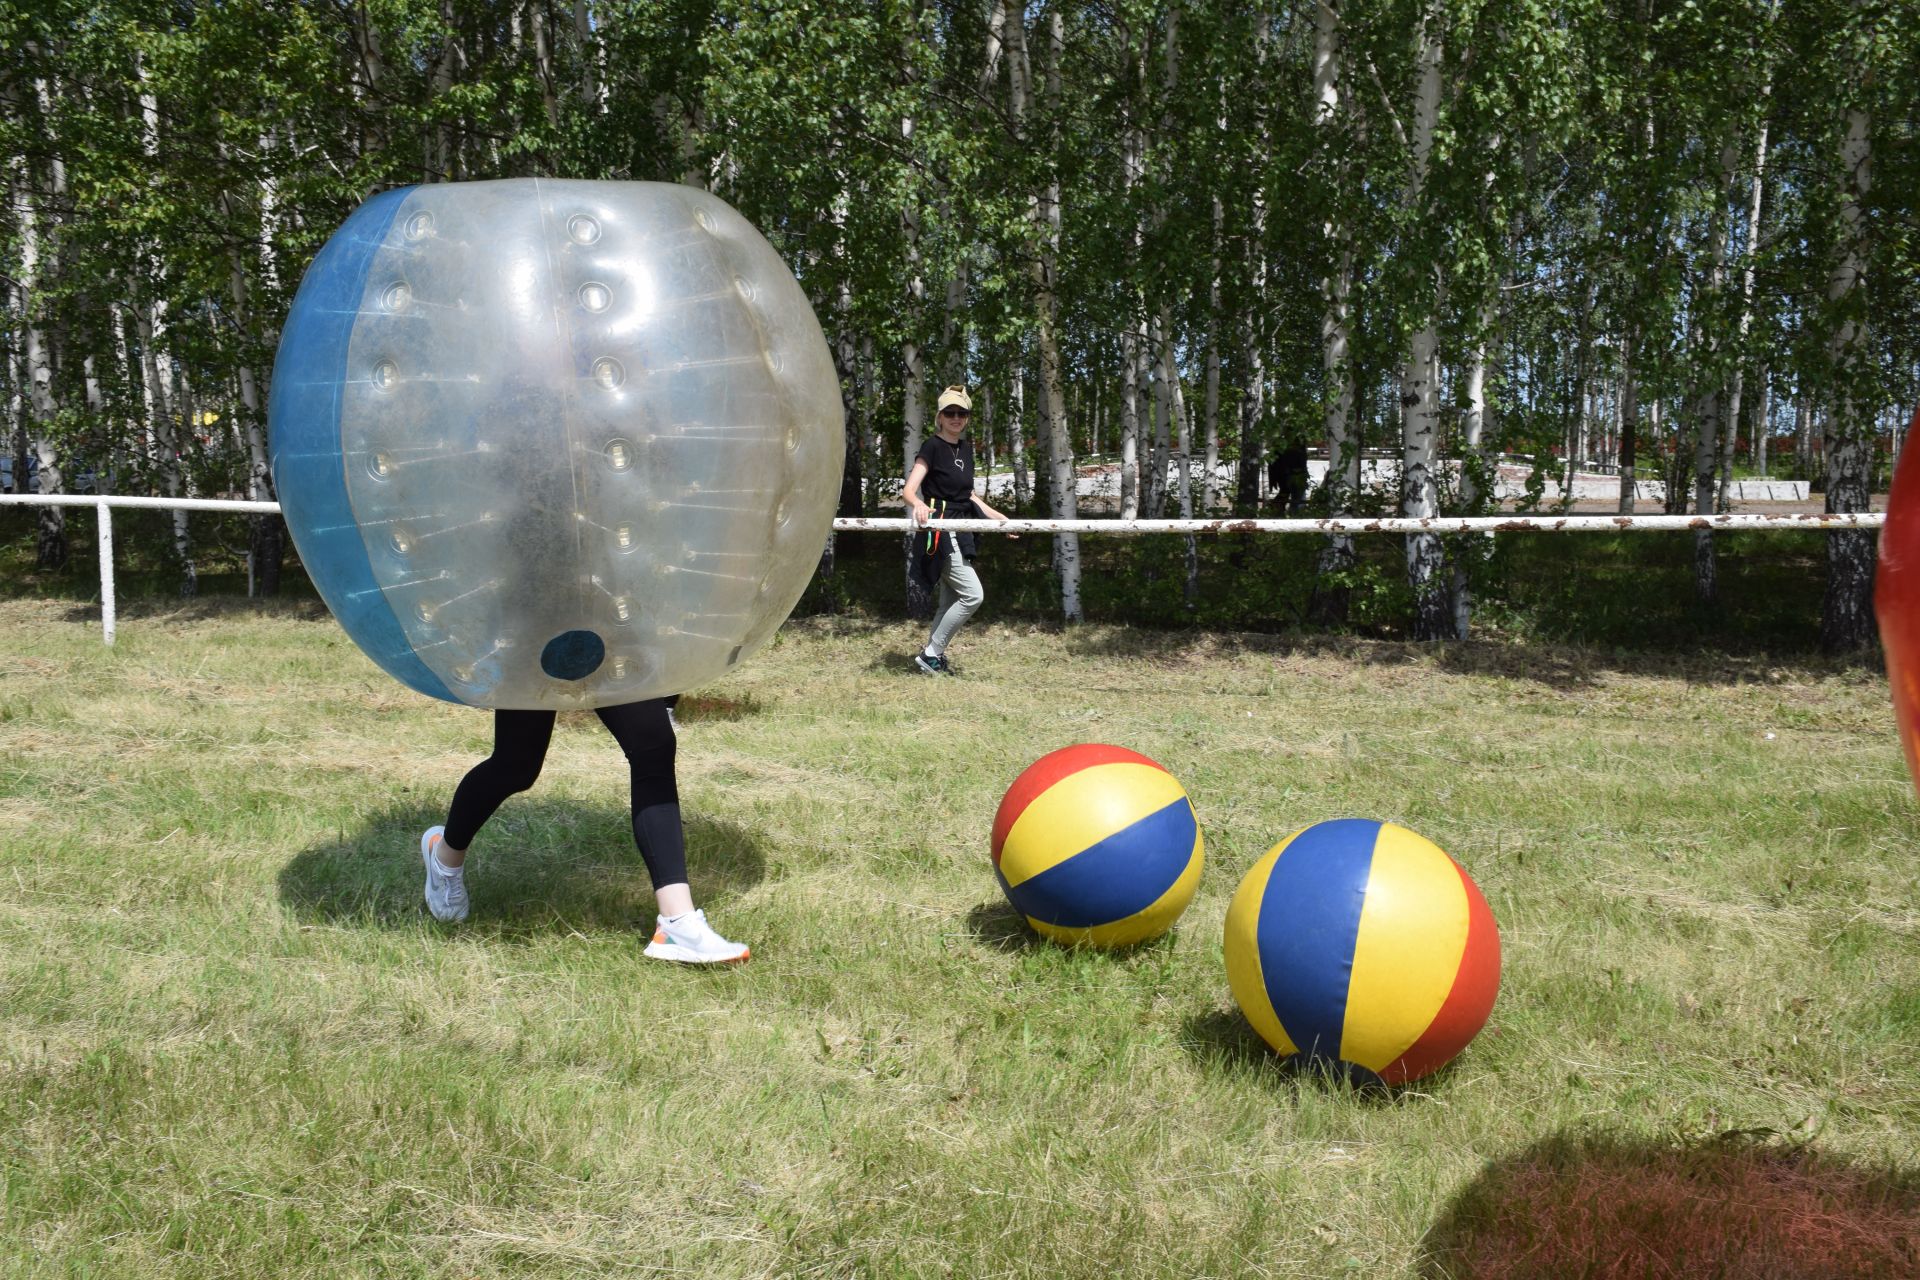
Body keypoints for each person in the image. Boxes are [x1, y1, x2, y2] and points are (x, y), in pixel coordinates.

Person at [418, 694, 749, 964]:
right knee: (516, 765)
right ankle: (443, 855)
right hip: (531, 632)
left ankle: (678, 922)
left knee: (653, 745)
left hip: (602, 624)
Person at [904, 386, 1015, 676]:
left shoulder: (966, 449)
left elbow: (970, 496)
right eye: (950, 413)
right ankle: (931, 653)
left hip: (963, 527)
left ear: (966, 418)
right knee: (972, 595)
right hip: (940, 530)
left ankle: (932, 659)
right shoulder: (932, 447)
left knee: (951, 599)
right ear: (940, 417)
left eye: (961, 413)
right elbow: (908, 491)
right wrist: (918, 505)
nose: (956, 418)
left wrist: (999, 520)